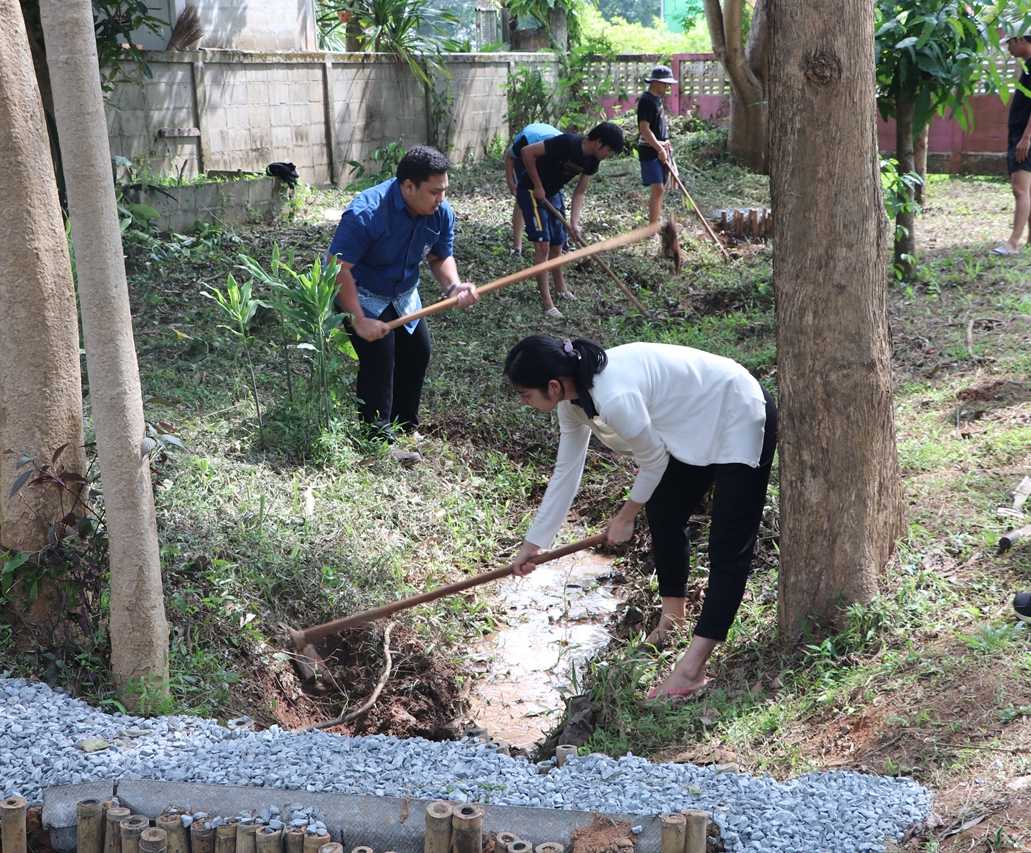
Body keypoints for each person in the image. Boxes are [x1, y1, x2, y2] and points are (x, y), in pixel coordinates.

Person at [503, 336, 777, 700]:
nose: (524, 402)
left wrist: (625, 515)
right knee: (664, 509)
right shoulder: (571, 405)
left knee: (728, 545)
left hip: (737, 410)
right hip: (693, 427)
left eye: (525, 394)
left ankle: (692, 669)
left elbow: (654, 461)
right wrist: (533, 544)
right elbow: (566, 472)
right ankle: (672, 620)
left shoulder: (613, 396)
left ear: (553, 385)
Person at [327, 146, 479, 465]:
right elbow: (338, 268)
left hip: (403, 293)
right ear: (408, 186)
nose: (441, 198)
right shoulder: (366, 213)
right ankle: (377, 438)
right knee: (380, 355)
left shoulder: (440, 211)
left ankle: (405, 425)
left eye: (444, 191)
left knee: (417, 350)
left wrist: (454, 286)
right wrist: (358, 319)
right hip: (362, 291)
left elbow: (440, 257)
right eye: (434, 191)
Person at [517, 122, 625, 319]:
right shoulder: (566, 143)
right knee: (543, 246)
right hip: (532, 190)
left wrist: (574, 224)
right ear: (599, 142)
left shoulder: (593, 162)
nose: (609, 154)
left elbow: (580, 192)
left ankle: (561, 290)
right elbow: (526, 152)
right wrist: (538, 185)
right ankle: (547, 302)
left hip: (554, 193)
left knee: (558, 245)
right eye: (609, 150)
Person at [992, 30, 1031, 257]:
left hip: (1027, 136)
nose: (1008, 48)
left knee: (1020, 190)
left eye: (1010, 43)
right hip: (1026, 134)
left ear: (1021, 40)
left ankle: (1013, 243)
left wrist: (1025, 138)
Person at [504, 122, 561, 256]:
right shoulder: (526, 141)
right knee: (522, 199)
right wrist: (510, 182)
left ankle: (559, 242)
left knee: (554, 195)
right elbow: (509, 155)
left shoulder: (564, 146)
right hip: (522, 157)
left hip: (544, 156)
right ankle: (517, 246)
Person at [637, 65, 676, 226]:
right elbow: (644, 129)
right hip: (650, 149)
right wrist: (659, 149)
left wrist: (663, 147)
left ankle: (655, 225)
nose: (668, 87)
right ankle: (652, 228)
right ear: (655, 82)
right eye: (665, 83)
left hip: (660, 148)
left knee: (662, 189)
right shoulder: (646, 100)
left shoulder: (656, 98)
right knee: (658, 189)